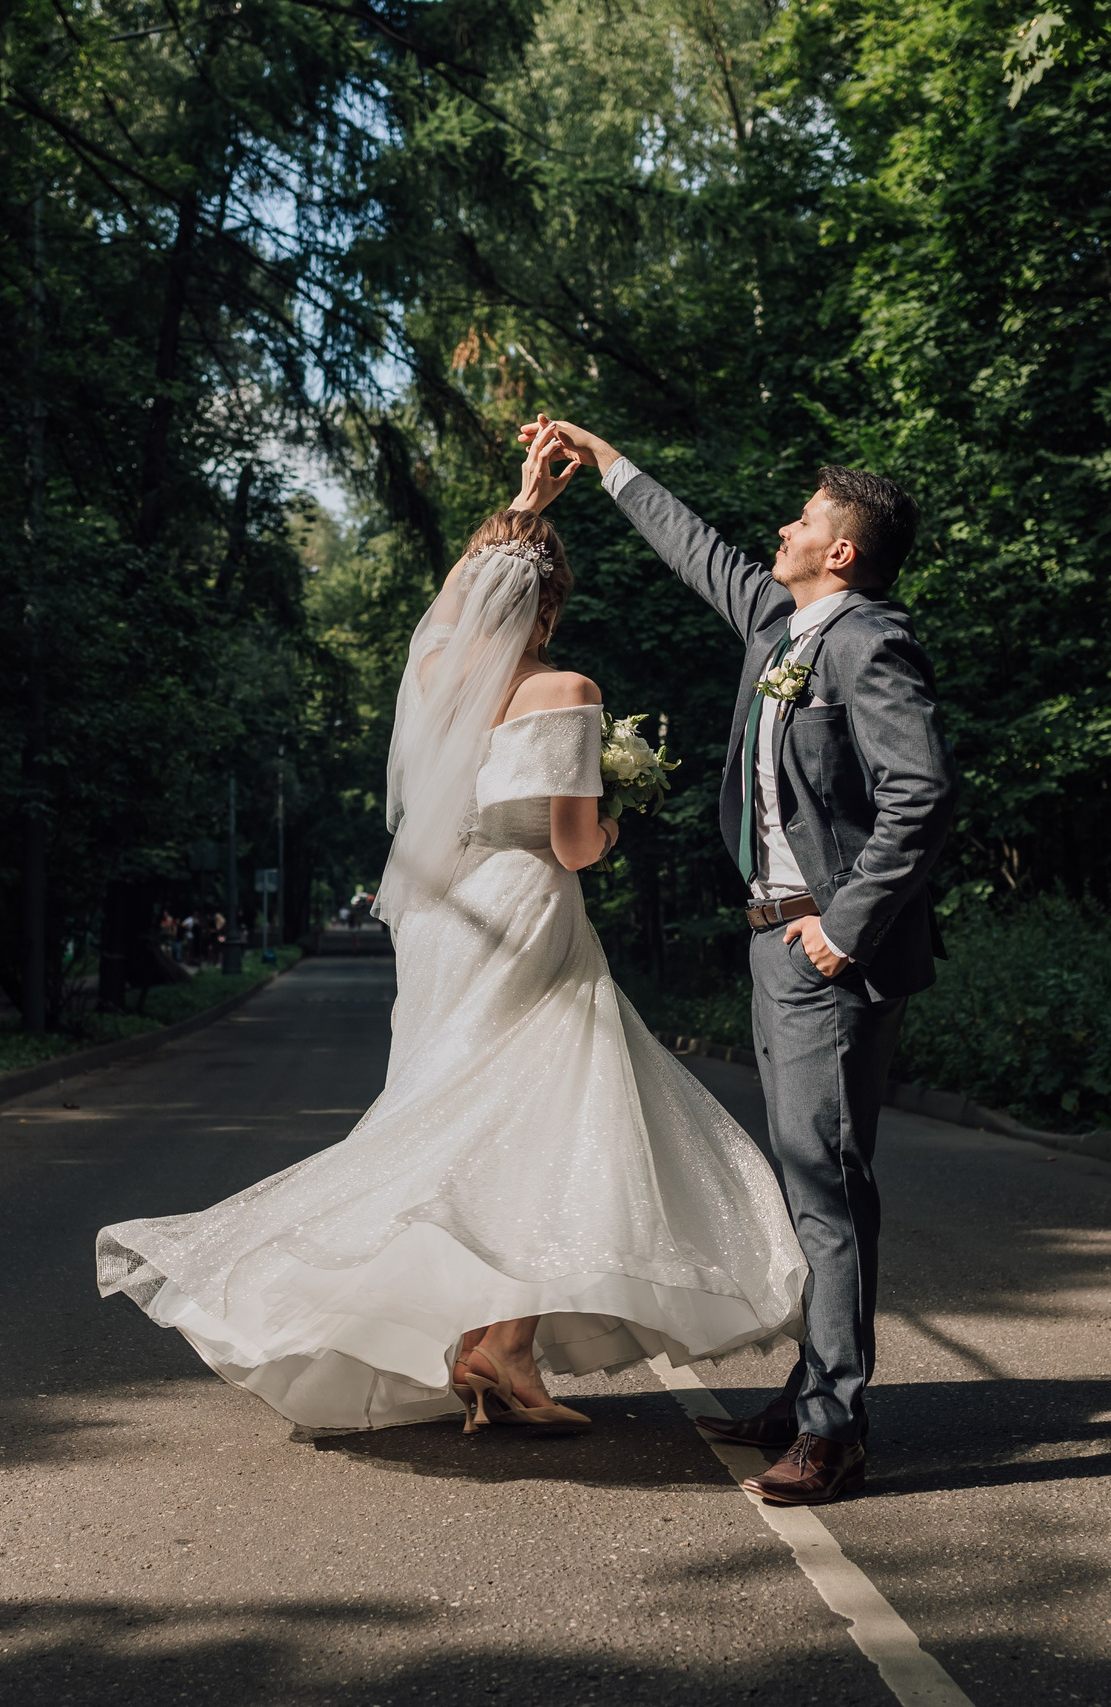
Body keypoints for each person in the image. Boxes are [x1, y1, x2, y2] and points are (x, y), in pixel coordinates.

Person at [97, 428, 805, 1436]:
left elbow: (450, 609)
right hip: (525, 912)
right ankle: (499, 1348)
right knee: (549, 1115)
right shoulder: (567, 692)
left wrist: (523, 506)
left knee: (460, 1107)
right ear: (551, 603)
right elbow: (570, 847)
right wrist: (614, 812)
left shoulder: (436, 676)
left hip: (441, 918)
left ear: (478, 590)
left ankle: (497, 1348)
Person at [511, 414, 957, 1506]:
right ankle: (813, 1389)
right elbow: (696, 545)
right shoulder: (778, 622)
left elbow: (922, 793)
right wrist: (608, 459)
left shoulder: (867, 642)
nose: (781, 528)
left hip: (827, 951)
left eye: (803, 520)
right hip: (774, 943)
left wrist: (845, 928)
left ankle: (832, 1428)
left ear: (841, 552)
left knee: (825, 1186)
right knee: (811, 1180)